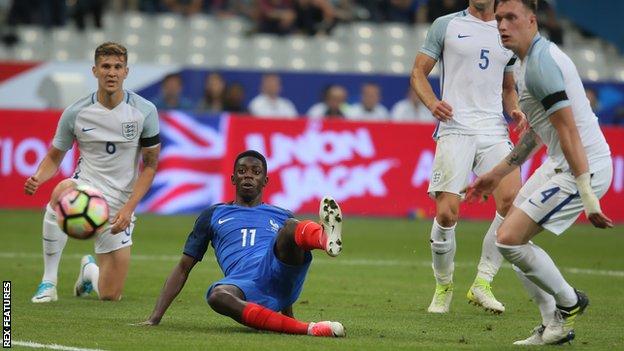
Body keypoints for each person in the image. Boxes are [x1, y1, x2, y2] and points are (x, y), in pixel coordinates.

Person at [466, 0, 613, 345]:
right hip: (561, 163)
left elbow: (569, 133)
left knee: (508, 239)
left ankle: (569, 302)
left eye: (511, 18)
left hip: (582, 168)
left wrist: (588, 196)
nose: (502, 25)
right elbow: (537, 132)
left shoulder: (542, 66)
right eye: (499, 18)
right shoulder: (524, 61)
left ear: (531, 21)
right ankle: (553, 324)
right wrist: (496, 174)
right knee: (511, 236)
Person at [138, 150, 346, 338]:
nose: (248, 175)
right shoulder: (213, 215)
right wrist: (155, 317)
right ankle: (309, 329)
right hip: (244, 284)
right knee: (217, 295)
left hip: (276, 267)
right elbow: (184, 267)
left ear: (265, 181)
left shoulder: (281, 215)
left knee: (292, 226)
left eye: (255, 172)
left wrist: (287, 308)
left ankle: (324, 238)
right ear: (233, 178)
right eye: (242, 171)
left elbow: (287, 265)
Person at [411, 0, 526, 314]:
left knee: (512, 200)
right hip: (455, 128)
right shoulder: (446, 25)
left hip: (493, 130)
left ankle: (482, 283)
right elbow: (418, 73)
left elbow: (508, 86)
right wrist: (433, 102)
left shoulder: (506, 31)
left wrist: (513, 107)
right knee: (447, 215)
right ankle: (443, 286)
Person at [25, 42, 161, 302]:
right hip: (86, 190)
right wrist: (39, 177)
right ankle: (48, 283)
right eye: (106, 66)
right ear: (95, 70)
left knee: (110, 295)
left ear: (126, 72)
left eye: (117, 67)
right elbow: (55, 157)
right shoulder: (76, 112)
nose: (112, 73)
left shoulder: (145, 111)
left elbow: (151, 165)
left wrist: (129, 208)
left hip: (120, 205)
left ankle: (89, 271)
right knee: (62, 190)